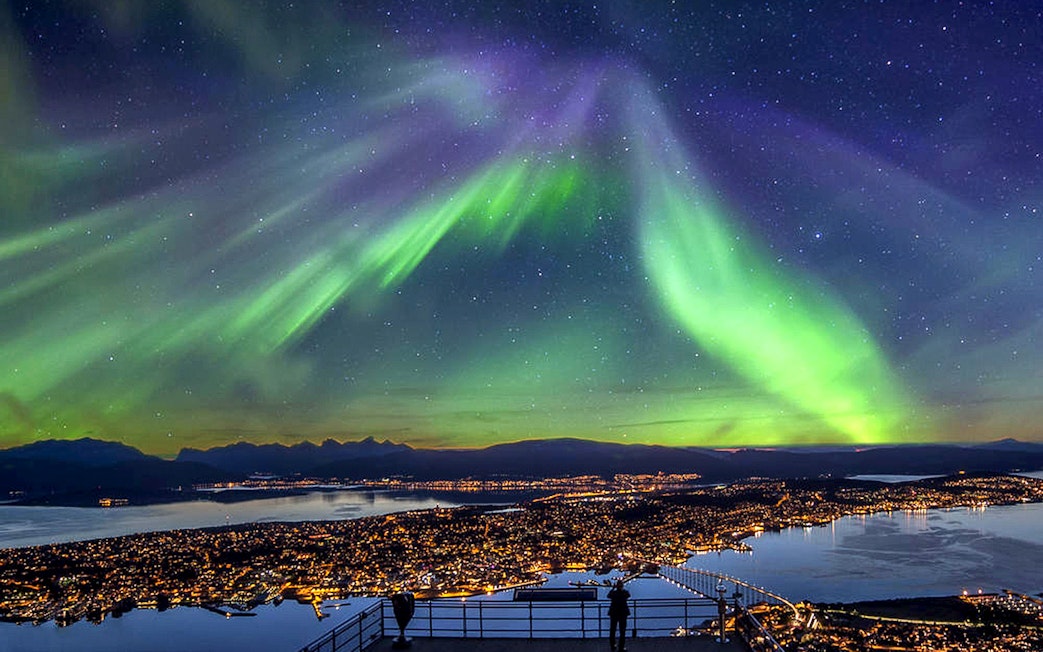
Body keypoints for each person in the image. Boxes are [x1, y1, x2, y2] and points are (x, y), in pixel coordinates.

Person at [607, 579, 631, 651]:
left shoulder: (614, 593)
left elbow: (608, 596)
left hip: (614, 613)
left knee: (612, 630)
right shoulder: (625, 593)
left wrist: (613, 588)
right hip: (623, 613)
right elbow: (628, 595)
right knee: (622, 631)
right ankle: (621, 647)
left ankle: (613, 646)